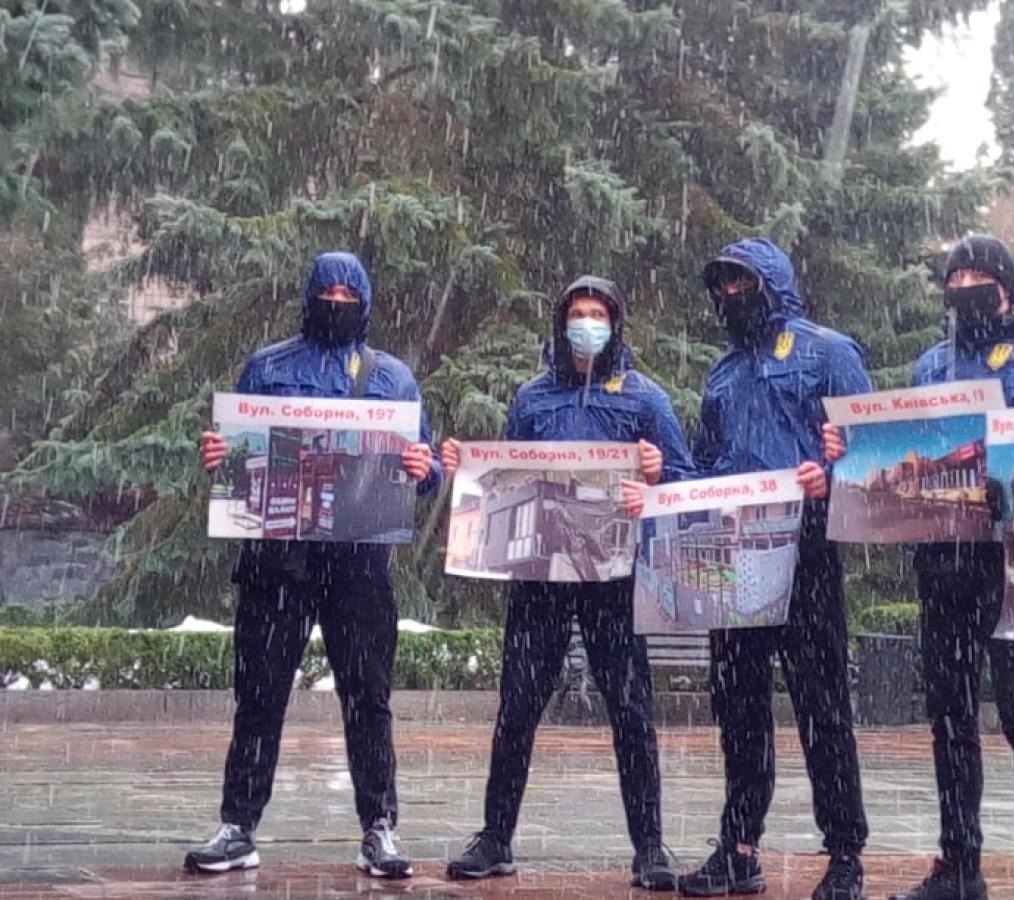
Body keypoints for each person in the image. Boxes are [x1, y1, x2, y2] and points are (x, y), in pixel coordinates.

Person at [827, 235, 1014, 900]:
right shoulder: (930, 366)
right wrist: (850, 446)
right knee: (949, 716)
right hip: (944, 562)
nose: (964, 286)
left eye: (977, 275)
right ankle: (960, 864)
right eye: (955, 276)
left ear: (1005, 285)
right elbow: (909, 448)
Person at [187, 251, 441, 879]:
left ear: (365, 302)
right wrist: (220, 452)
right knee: (259, 696)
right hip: (276, 562)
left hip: (359, 564)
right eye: (327, 292)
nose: (336, 302)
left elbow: (428, 465)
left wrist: (425, 468)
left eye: (348, 295)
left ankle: (379, 827)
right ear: (308, 297)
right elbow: (238, 451)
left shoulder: (392, 377)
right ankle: (238, 827)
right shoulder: (268, 366)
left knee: (368, 700)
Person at [440, 275, 693, 892]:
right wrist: (464, 470)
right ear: (561, 324)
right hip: (540, 578)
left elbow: (686, 480)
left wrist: (659, 473)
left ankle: (650, 847)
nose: (587, 324)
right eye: (578, 313)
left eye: (598, 315)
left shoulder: (645, 399)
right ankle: (495, 837)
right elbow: (504, 475)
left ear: (615, 324)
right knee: (518, 706)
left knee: (631, 711)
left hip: (614, 578)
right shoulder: (532, 398)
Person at [671, 237, 872, 899]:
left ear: (771, 283)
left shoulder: (829, 353)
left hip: (806, 549)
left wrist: (832, 476)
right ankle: (739, 847)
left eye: (741, 282)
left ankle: (844, 854)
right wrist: (670, 493)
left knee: (822, 705)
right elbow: (705, 465)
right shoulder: (722, 374)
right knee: (739, 705)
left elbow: (868, 454)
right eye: (721, 285)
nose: (730, 295)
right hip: (732, 553)